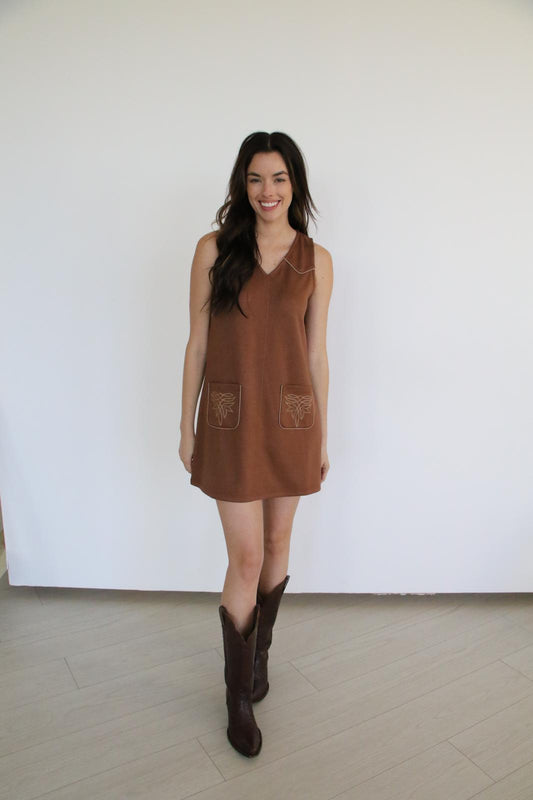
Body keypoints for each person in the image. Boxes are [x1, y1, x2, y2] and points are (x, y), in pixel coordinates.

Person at [179, 131, 333, 757]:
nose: (267, 191)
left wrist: (323, 433)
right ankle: (237, 697)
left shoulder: (316, 259)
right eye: (255, 179)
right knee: (244, 558)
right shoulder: (213, 249)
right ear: (242, 185)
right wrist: (185, 426)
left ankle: (259, 655)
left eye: (279, 178)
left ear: (295, 185)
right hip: (231, 421)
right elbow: (197, 343)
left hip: (293, 421)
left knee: (276, 545)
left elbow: (316, 354)